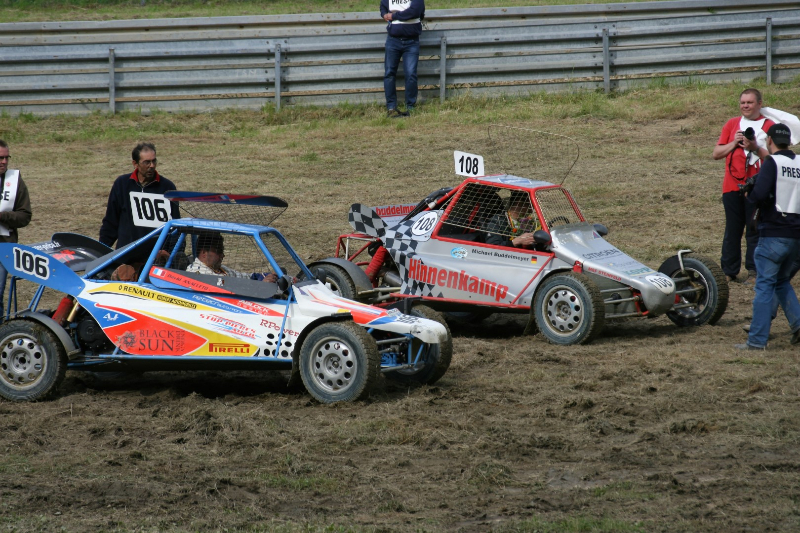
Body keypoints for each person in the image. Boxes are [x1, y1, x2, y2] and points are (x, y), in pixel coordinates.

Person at [736, 124, 800, 350]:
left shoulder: (772, 162)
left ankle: (756, 341)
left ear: (770, 140)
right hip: (796, 235)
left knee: (764, 286)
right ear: (789, 141)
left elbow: (759, 195)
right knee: (781, 281)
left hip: (774, 232)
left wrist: (749, 193)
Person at [712, 88, 775, 283]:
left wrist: (755, 148)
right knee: (732, 230)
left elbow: (776, 159)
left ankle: (754, 271)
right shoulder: (732, 124)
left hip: (758, 187)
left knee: (754, 229)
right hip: (732, 186)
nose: (745, 106)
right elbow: (716, 153)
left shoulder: (769, 125)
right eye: (743, 103)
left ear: (759, 104)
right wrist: (734, 143)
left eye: (749, 102)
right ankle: (729, 271)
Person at [99, 142, 180, 249]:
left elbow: (175, 225)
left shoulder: (167, 187)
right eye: (147, 162)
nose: (152, 166)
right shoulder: (122, 184)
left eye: (154, 161)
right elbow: (111, 222)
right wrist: (101, 250)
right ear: (135, 163)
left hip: (156, 253)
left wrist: (172, 252)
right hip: (127, 251)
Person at [0, 140, 33, 318]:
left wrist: (3, 216)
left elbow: (25, 216)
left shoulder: (14, 181)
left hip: (3, 247)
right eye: (0, 158)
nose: (4, 162)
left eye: (7, 158)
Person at [380, 0, 424, 118]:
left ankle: (410, 107)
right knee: (389, 73)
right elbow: (383, 6)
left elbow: (415, 12)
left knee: (410, 74)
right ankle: (391, 107)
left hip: (411, 41)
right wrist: (384, 14)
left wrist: (394, 16)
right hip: (393, 40)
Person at [187, 232, 278, 283]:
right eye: (219, 251)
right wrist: (260, 286)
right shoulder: (196, 273)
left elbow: (246, 277)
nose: (223, 255)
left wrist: (268, 276)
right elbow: (228, 288)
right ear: (204, 253)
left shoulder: (221, 269)